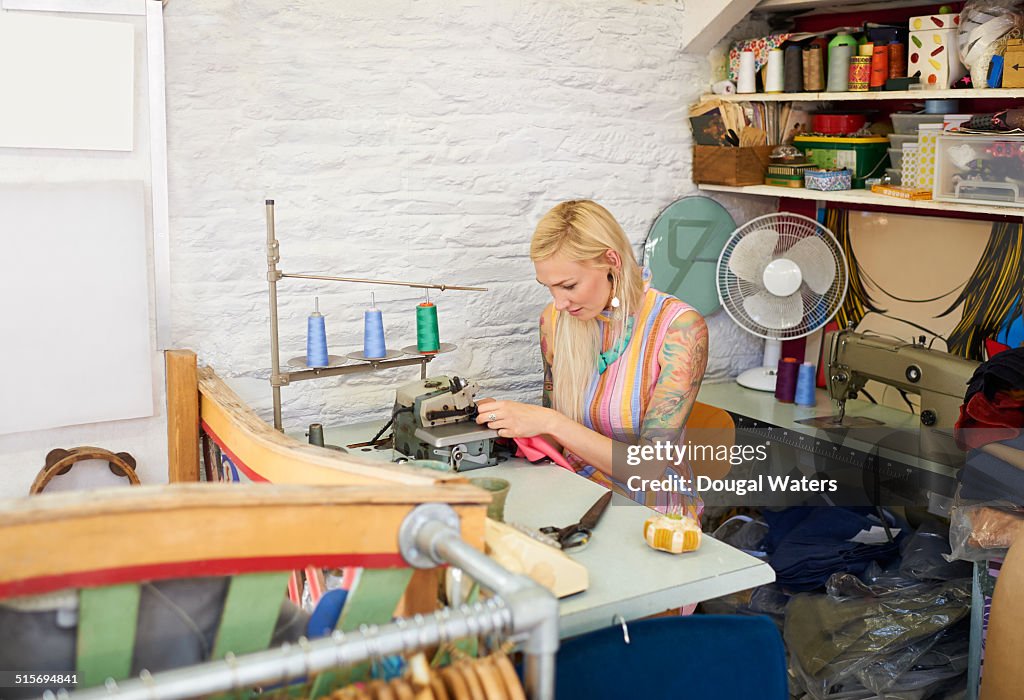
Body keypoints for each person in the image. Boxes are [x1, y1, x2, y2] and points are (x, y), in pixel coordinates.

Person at [476, 200, 708, 516]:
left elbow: (647, 469)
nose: (559, 303)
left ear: (610, 261)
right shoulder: (554, 323)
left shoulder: (679, 329)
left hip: (652, 515)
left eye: (569, 285)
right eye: (549, 288)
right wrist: (501, 422)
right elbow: (556, 443)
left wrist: (549, 422)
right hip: (575, 498)